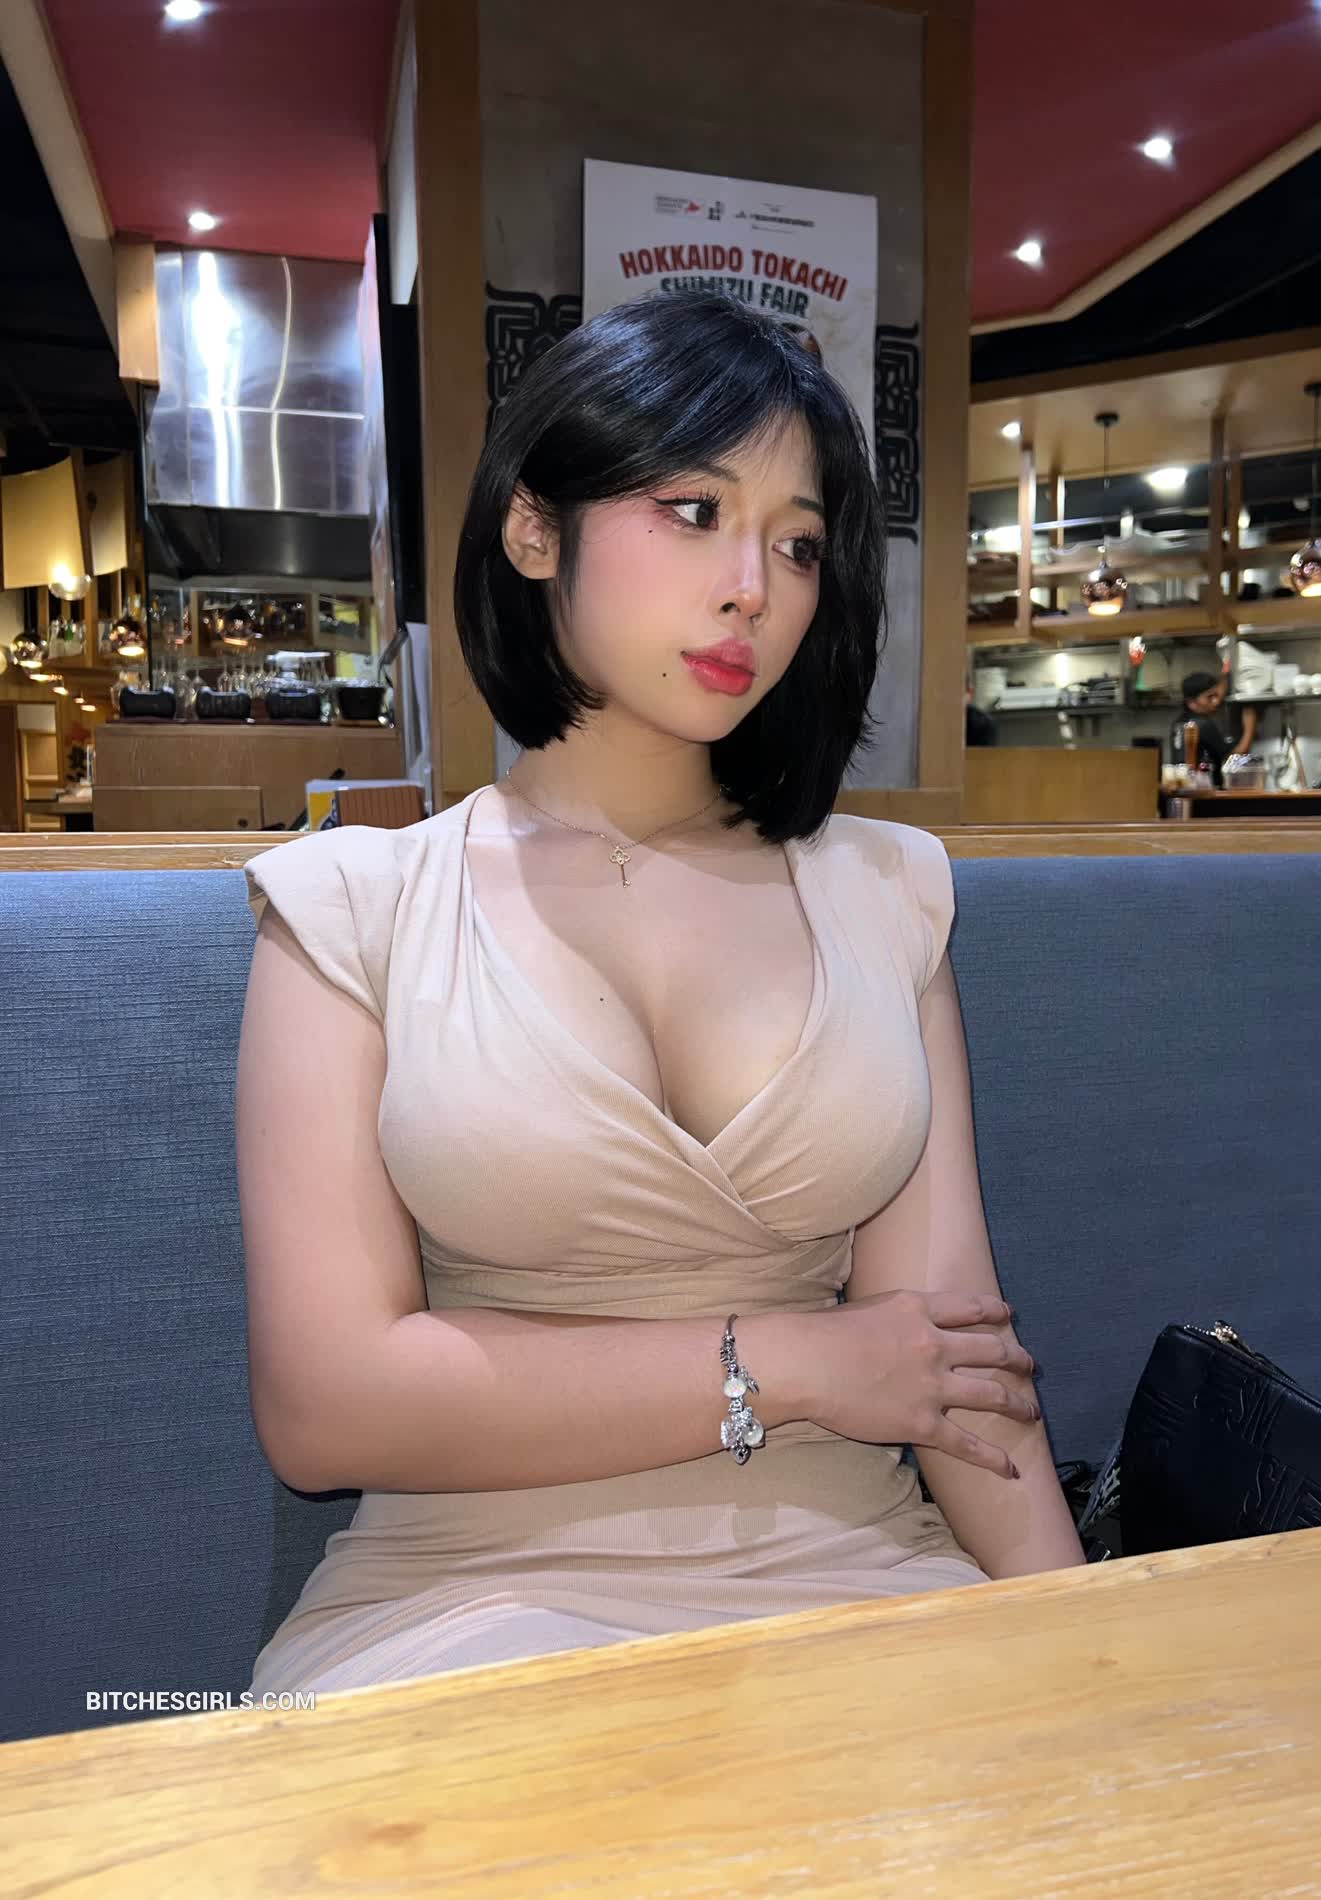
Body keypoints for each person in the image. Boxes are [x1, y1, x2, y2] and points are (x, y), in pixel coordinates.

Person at [236, 290, 1083, 1698]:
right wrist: (794, 1365)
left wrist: (1087, 1648)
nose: (753, 585)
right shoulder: (354, 907)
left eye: (798, 543)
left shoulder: (885, 892)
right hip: (464, 1611)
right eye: (695, 511)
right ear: (533, 527)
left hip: (868, 1588)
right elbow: (328, 1407)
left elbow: (958, 1368)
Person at [1169, 670, 1259, 787]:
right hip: (1204, 790)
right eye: (1210, 697)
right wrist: (1250, 727)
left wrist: (1225, 675)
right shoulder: (1202, 724)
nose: (1216, 702)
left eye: (1216, 696)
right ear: (1192, 703)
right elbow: (1233, 758)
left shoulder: (1179, 723)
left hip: (1183, 786)